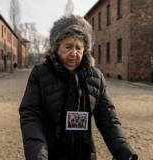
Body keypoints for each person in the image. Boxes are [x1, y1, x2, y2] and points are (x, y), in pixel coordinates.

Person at [19, 15, 138, 160]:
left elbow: (108, 120)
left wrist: (124, 152)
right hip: (51, 154)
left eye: (78, 48)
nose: (73, 54)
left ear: (85, 50)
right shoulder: (40, 73)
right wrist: (37, 155)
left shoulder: (96, 77)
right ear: (57, 47)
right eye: (68, 47)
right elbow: (31, 116)